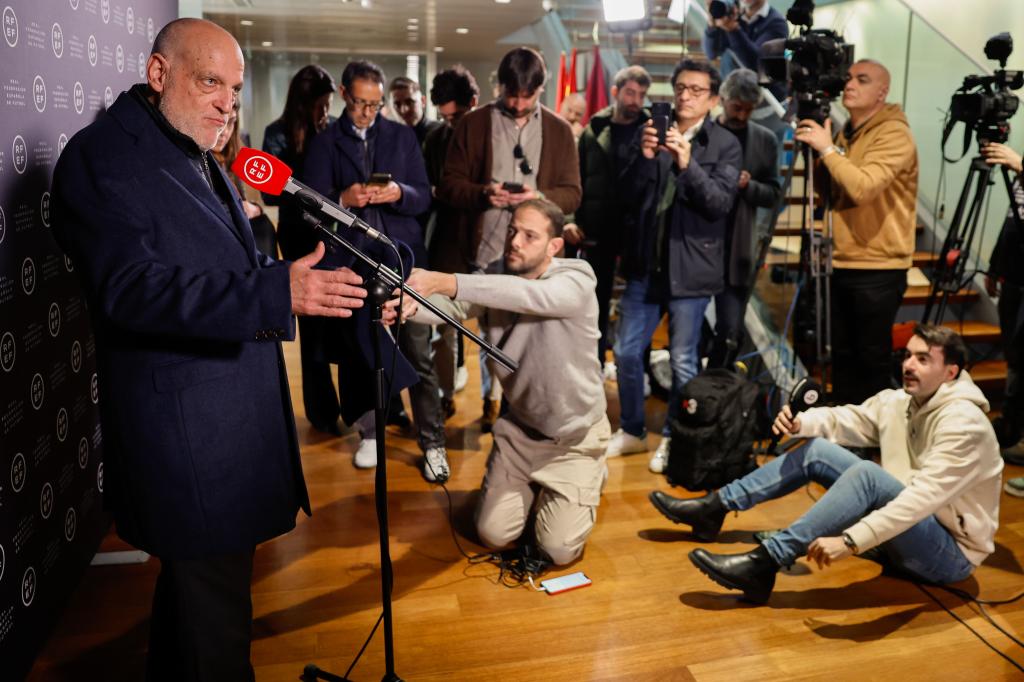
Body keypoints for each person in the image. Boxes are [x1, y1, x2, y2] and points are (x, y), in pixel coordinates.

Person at [50, 19, 369, 680]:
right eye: (210, 82)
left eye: (235, 87)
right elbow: (130, 289)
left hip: (227, 428)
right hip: (186, 439)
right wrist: (275, 292)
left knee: (196, 615)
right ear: (158, 73)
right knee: (215, 637)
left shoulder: (196, 147)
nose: (228, 101)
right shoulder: (102, 155)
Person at [649, 325, 1002, 604]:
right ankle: (715, 507)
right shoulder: (901, 401)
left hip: (948, 556)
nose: (909, 365)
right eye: (908, 356)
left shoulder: (964, 425)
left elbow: (921, 500)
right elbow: (850, 419)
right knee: (818, 449)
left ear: (951, 372)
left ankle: (764, 563)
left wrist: (850, 540)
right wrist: (801, 423)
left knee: (868, 475)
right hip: (902, 531)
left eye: (924, 359)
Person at [406, 199, 609, 565]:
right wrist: (405, 305)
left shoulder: (576, 278)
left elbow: (535, 297)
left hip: (574, 440)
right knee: (492, 534)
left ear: (554, 246)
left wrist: (448, 281)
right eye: (513, 230)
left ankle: (588, 476)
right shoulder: (492, 278)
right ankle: (529, 486)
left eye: (530, 236)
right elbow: (449, 309)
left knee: (557, 551)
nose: (514, 241)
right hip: (519, 435)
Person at [303, 60, 449, 482]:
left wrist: (398, 192)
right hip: (353, 258)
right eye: (362, 103)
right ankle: (370, 431)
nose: (369, 112)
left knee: (417, 347)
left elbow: (423, 198)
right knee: (359, 352)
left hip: (403, 257)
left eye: (376, 104)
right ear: (346, 95)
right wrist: (344, 199)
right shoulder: (325, 143)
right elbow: (310, 204)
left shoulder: (402, 137)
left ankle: (432, 440)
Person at [437, 46, 582, 433]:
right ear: (498, 87)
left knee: (532, 340)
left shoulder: (559, 130)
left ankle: (512, 406)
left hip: (537, 262)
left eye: (527, 97)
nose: (518, 104)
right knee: (490, 334)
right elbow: (449, 186)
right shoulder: (472, 125)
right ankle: (487, 399)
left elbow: (572, 193)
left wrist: (537, 197)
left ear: (541, 90)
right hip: (483, 249)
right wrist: (486, 194)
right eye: (511, 95)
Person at [606, 59, 742, 465]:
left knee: (684, 359)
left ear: (714, 99)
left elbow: (719, 203)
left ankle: (675, 438)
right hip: (645, 265)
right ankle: (632, 430)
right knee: (627, 352)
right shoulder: (652, 131)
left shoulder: (725, 144)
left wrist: (687, 163)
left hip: (692, 268)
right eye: (680, 87)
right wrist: (646, 157)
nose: (685, 96)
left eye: (696, 90)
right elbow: (626, 197)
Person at [794, 59, 919, 405]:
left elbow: (863, 187)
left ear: (882, 92)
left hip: (878, 266)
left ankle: (876, 441)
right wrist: (818, 153)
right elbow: (831, 191)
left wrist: (827, 149)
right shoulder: (846, 132)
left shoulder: (894, 133)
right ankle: (847, 441)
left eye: (861, 80)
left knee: (870, 361)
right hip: (842, 259)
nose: (849, 84)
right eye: (848, 78)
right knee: (843, 358)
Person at [261, 64, 341, 435]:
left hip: (334, 234)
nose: (326, 112)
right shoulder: (276, 134)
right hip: (297, 235)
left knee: (341, 322)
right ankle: (322, 412)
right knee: (311, 329)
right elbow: (267, 191)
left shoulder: (332, 131)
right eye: (321, 105)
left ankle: (356, 410)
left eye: (329, 105)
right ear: (303, 102)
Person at [571, 64, 652, 368]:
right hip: (598, 227)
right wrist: (572, 219)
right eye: (631, 92)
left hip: (637, 228)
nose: (636, 100)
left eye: (642, 95)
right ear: (617, 92)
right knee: (596, 301)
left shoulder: (652, 129)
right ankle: (595, 363)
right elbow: (577, 177)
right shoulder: (594, 129)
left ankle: (637, 366)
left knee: (639, 303)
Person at [704, 69, 781, 373]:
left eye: (749, 110)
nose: (743, 114)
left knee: (730, 329)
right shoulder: (702, 133)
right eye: (737, 107)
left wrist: (748, 185)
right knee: (690, 324)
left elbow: (774, 194)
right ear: (722, 99)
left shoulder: (764, 140)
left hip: (738, 244)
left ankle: (715, 387)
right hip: (698, 241)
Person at [423, 65, 481, 418]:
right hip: (447, 238)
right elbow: (429, 188)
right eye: (444, 117)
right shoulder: (436, 139)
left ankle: (493, 400)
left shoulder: (490, 133)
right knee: (445, 324)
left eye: (456, 115)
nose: (451, 123)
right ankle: (446, 391)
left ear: (473, 103)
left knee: (495, 327)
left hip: (486, 237)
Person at [982, 142, 1024, 496]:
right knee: (1015, 356)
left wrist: (1021, 167)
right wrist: (996, 266)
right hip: (1015, 275)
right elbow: (1014, 217)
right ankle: (1010, 426)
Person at [211, 101, 276, 257]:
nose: (224, 132)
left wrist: (254, 208)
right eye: (220, 122)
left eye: (231, 122)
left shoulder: (241, 152)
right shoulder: (198, 161)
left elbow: (257, 202)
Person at [702, 0, 788, 103]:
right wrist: (712, 26)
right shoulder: (732, 16)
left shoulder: (777, 23)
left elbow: (756, 64)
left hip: (767, 104)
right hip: (734, 99)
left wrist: (733, 30)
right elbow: (711, 53)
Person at [389, 75, 442, 145]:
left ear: (423, 101)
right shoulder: (390, 139)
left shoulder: (440, 134)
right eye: (397, 104)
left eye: (409, 102)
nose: (403, 110)